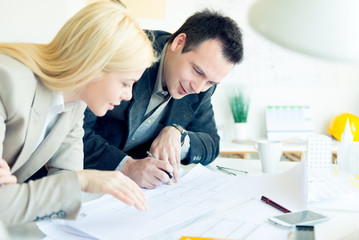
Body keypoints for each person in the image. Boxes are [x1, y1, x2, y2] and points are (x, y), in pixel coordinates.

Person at [0, 0, 156, 226]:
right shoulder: (7, 82)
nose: (129, 96)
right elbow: (8, 204)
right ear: (94, 65)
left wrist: (71, 183)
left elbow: (63, 184)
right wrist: (81, 180)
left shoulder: (75, 104)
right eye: (125, 83)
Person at [83, 9, 244, 189]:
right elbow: (74, 131)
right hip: (78, 178)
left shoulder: (203, 86)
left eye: (211, 82)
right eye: (197, 71)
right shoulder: (130, 51)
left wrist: (177, 135)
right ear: (179, 42)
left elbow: (212, 144)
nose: (197, 88)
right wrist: (126, 166)